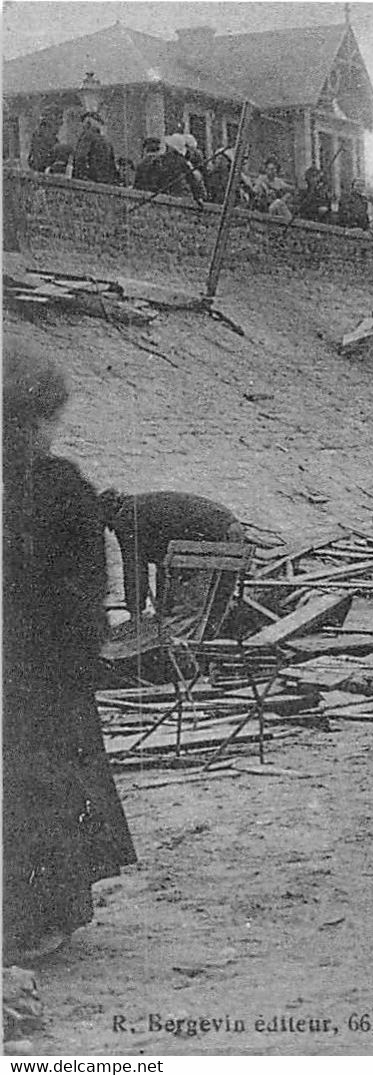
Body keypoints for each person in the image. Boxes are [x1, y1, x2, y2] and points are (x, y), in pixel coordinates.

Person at [3, 348, 138, 962]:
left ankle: (40, 917)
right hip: (34, 667)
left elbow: (82, 588)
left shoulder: (59, 490)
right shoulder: (57, 487)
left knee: (39, 790)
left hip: (37, 668)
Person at [97, 490, 244, 623]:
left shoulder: (126, 517)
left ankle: (181, 633)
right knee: (217, 594)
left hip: (217, 535)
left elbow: (133, 569)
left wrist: (135, 612)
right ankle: (207, 633)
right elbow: (162, 562)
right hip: (231, 528)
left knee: (186, 606)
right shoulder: (142, 507)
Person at [70, 111, 118, 186]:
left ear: (88, 123)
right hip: (105, 183)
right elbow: (112, 166)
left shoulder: (87, 137)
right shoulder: (107, 142)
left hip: (89, 182)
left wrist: (80, 178)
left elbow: (80, 158)